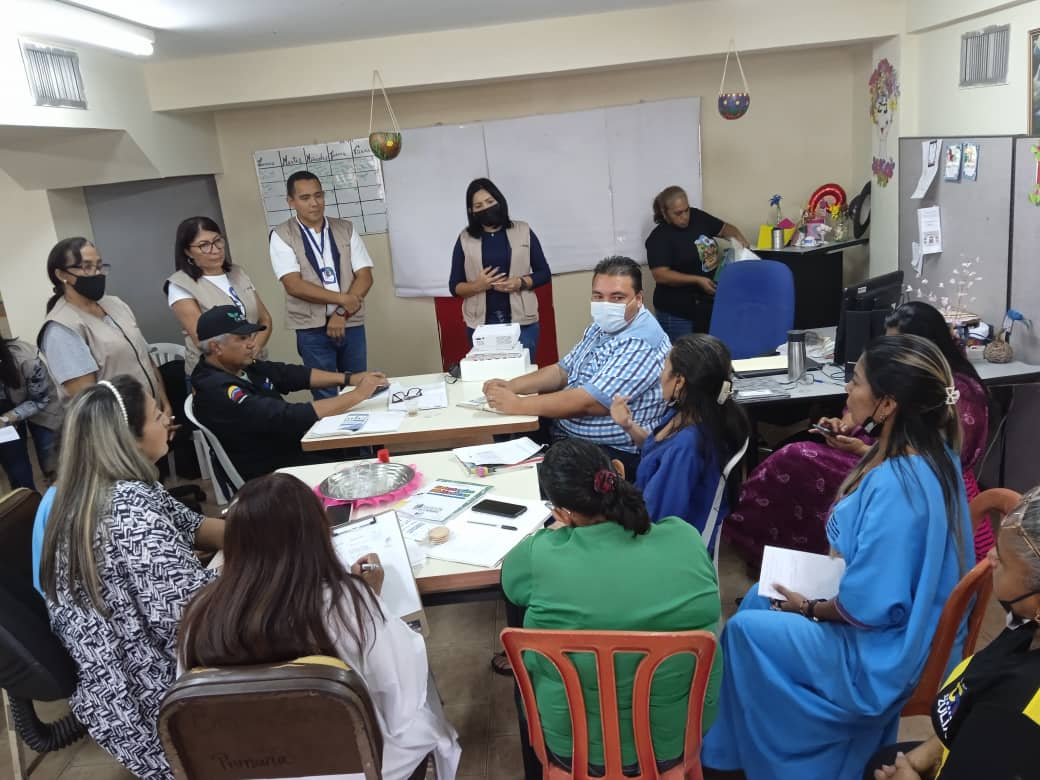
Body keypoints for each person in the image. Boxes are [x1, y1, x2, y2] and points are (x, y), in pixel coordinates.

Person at [701, 334, 974, 780]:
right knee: (755, 597)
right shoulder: (935, 454)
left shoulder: (893, 488)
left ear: (886, 405)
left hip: (883, 653)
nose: (848, 387)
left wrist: (808, 607)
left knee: (745, 630)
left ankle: (770, 762)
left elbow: (867, 607)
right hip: (913, 622)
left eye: (857, 381)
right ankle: (737, 753)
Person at [177, 473, 461, 780]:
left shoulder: (200, 613)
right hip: (359, 766)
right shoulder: (347, 604)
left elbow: (195, 712)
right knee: (420, 700)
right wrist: (372, 601)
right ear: (318, 534)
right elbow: (402, 701)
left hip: (249, 770)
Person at [38, 375, 225, 779]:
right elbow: (195, 624)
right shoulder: (128, 513)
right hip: (154, 703)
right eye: (158, 414)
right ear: (129, 437)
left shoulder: (112, 489)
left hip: (124, 693)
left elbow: (198, 528)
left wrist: (276, 524)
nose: (168, 419)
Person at [502, 438, 723, 778]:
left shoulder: (539, 556)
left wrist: (561, 532)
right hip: (674, 743)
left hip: (570, 750)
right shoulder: (686, 539)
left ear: (560, 512)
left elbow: (512, 588)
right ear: (618, 472)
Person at [725, 300, 991, 573]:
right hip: (882, 461)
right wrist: (843, 425)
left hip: (891, 467)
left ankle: (786, 556)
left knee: (794, 459)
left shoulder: (952, 402)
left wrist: (809, 607)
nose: (847, 386)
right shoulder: (895, 390)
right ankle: (775, 556)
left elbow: (868, 600)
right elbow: (861, 419)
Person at [865, 486, 1040, 780]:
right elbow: (974, 705)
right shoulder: (1026, 626)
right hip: (968, 747)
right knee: (880, 760)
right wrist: (933, 750)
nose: (990, 556)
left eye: (1005, 561)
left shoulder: (1020, 721)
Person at [483, 256, 669, 478]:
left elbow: (591, 403)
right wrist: (511, 386)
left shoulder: (641, 341)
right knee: (501, 448)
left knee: (517, 476)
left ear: (638, 299)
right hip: (567, 433)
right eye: (598, 296)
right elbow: (562, 371)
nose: (606, 304)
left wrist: (517, 405)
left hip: (608, 453)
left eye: (617, 297)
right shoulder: (603, 326)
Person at [190, 306, 387, 480]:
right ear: (217, 347)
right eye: (242, 339)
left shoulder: (239, 366)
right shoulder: (216, 388)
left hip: (291, 449)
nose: (251, 343)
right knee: (370, 468)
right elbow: (286, 416)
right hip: (271, 473)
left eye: (250, 336)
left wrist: (348, 379)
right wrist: (357, 395)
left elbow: (289, 374)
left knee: (367, 455)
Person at [610, 333, 750, 552]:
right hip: (647, 514)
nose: (659, 376)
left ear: (680, 380)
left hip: (657, 542)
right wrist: (628, 425)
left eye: (664, 368)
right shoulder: (692, 414)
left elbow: (656, 519)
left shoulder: (686, 447)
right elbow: (654, 449)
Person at [270, 170, 375, 399]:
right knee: (326, 393)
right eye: (305, 198)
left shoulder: (345, 228)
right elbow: (294, 285)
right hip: (311, 328)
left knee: (359, 387)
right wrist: (342, 300)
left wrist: (341, 312)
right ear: (291, 201)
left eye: (318, 196)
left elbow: (365, 276)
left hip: (350, 323)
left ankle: (360, 435)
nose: (314, 203)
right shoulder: (281, 235)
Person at [39, 237, 171, 413]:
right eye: (87, 267)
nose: (96, 273)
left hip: (150, 415)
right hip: (116, 428)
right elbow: (88, 400)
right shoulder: (61, 328)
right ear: (62, 275)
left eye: (99, 266)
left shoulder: (115, 304)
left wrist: (163, 404)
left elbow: (145, 358)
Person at [449, 178, 552, 358]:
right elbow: (454, 286)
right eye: (479, 205)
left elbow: (544, 273)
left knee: (523, 378)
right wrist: (478, 286)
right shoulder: (465, 238)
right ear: (471, 211)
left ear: (500, 201)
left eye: (490, 202)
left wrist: (520, 282)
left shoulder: (523, 230)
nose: (486, 208)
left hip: (523, 324)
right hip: (480, 326)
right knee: (487, 379)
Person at [165, 215, 273, 374]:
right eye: (204, 245)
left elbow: (265, 319)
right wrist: (244, 354)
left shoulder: (237, 273)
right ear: (188, 251)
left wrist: (254, 348)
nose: (215, 250)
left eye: (217, 241)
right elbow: (203, 341)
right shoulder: (180, 284)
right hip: (216, 374)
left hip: (254, 362)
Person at [644, 185, 750, 341]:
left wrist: (738, 238)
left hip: (707, 305)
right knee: (685, 359)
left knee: (708, 354)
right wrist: (697, 280)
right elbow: (661, 275)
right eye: (678, 213)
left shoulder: (697, 217)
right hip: (677, 311)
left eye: (686, 210)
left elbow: (725, 228)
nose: (685, 216)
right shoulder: (659, 237)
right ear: (665, 214)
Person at [0, 337, 62, 488]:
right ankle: (27, 504)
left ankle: (57, 498)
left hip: (43, 407)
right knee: (17, 470)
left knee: (51, 463)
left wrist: (7, 418)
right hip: (5, 411)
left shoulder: (27, 360)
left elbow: (41, 400)